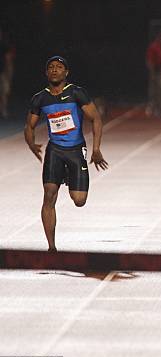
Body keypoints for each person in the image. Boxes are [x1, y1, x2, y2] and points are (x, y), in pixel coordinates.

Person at [24, 56, 108, 252]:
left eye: (59, 67)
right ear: (46, 73)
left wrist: (96, 149)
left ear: (66, 72)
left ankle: (70, 175)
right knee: (49, 195)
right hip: (55, 150)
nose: (54, 70)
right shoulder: (40, 98)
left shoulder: (77, 93)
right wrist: (31, 144)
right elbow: (29, 126)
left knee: (79, 200)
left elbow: (96, 119)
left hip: (76, 150)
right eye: (51, 67)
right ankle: (51, 248)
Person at [145, 31, 161, 117]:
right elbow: (150, 61)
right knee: (157, 91)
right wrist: (152, 73)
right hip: (156, 71)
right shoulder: (153, 47)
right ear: (159, 38)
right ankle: (156, 109)